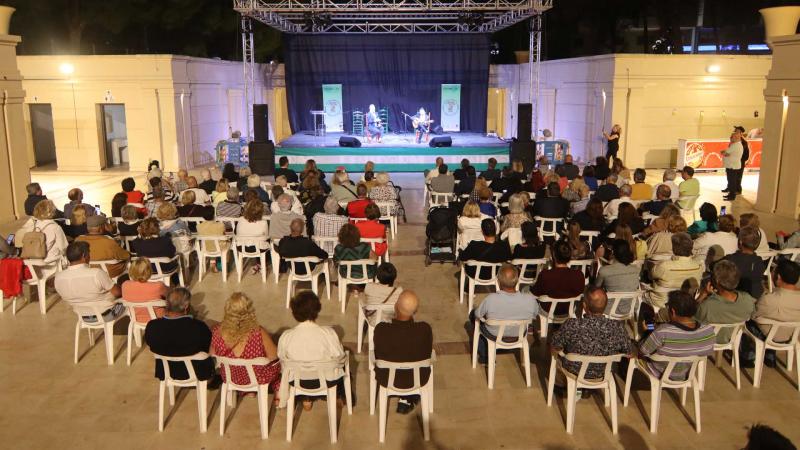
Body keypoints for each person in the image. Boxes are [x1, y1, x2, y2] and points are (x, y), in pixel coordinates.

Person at [278, 290, 347, 410]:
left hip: (297, 381)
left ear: (294, 313)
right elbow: (340, 357)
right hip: (327, 380)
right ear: (317, 310)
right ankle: (336, 396)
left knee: (303, 369)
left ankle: (306, 399)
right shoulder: (328, 333)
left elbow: (282, 358)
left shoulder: (286, 336)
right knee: (344, 368)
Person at [211, 292, 282, 404]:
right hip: (257, 377)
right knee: (278, 365)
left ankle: (247, 392)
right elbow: (274, 356)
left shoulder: (217, 332)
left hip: (231, 377)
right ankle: (278, 388)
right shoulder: (258, 332)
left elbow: (213, 355)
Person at [550, 286, 634, 379]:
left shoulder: (572, 324)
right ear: (605, 306)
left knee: (555, 353)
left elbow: (555, 345)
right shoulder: (617, 327)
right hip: (602, 373)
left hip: (574, 371)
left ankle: (561, 386)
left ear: (584, 306)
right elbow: (629, 351)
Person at [373, 290, 433, 414]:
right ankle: (408, 399)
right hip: (418, 379)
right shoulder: (424, 329)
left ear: (396, 307)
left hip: (386, 378)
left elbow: (377, 353)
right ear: (415, 311)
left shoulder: (381, 330)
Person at [637, 290, 715, 380]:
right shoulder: (707, 330)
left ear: (673, 311)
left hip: (659, 372)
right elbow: (706, 351)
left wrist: (648, 332)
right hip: (687, 372)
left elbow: (642, 351)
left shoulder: (662, 332)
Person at [144, 287, 216, 382]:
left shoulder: (152, 327)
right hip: (197, 373)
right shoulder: (198, 328)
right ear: (186, 307)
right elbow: (207, 348)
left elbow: (151, 345)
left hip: (166, 372)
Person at [471, 264, 538, 364]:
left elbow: (478, 315)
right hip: (517, 335)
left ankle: (485, 355)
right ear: (517, 280)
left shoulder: (491, 299)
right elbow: (535, 314)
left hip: (494, 334)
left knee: (473, 315)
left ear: (498, 281)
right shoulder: (530, 300)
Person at [745, 260, 800, 367]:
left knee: (746, 322)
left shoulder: (769, 299)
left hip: (770, 335)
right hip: (791, 336)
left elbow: (753, 314)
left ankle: (748, 355)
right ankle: (770, 355)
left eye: (773, 271)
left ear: (778, 277)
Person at [54, 241, 125, 320]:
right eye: (89, 253)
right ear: (84, 256)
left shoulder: (58, 277)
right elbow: (118, 292)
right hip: (107, 314)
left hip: (83, 316)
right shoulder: (96, 273)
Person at [695, 260, 756, 344]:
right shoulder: (747, 299)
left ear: (716, 281)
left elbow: (692, 316)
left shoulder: (707, 305)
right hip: (733, 338)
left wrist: (703, 295)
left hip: (710, 339)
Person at [648, 233, 704, 310]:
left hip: (661, 303)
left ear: (674, 248)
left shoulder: (664, 266)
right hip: (684, 304)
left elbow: (651, 276)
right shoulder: (698, 266)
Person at [76, 215, 130, 280]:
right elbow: (125, 256)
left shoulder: (78, 239)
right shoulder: (108, 241)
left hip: (85, 272)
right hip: (109, 273)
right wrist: (111, 231)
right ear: (101, 227)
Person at [595, 240, 640, 313]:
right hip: (631, 308)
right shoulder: (636, 269)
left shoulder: (604, 270)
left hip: (610, 309)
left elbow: (596, 288)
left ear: (612, 252)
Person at [724, 226, 767, 299]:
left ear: (740, 242)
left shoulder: (731, 259)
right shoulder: (759, 261)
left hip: (737, 297)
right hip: (756, 296)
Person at [121, 257, 168, 323]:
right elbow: (170, 295)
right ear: (149, 271)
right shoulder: (158, 286)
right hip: (158, 319)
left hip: (136, 319)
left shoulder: (125, 285)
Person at [363, 262, 403, 326]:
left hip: (373, 322)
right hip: (392, 322)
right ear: (394, 277)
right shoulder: (399, 291)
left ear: (378, 276)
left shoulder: (369, 287)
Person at [722, 132, 744, 201]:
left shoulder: (735, 145)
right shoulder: (736, 145)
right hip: (732, 165)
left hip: (732, 166)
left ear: (736, 137)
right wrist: (726, 153)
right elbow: (727, 153)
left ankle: (732, 196)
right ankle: (730, 194)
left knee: (732, 182)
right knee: (731, 181)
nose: (731, 138)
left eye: (732, 137)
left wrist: (724, 153)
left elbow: (725, 153)